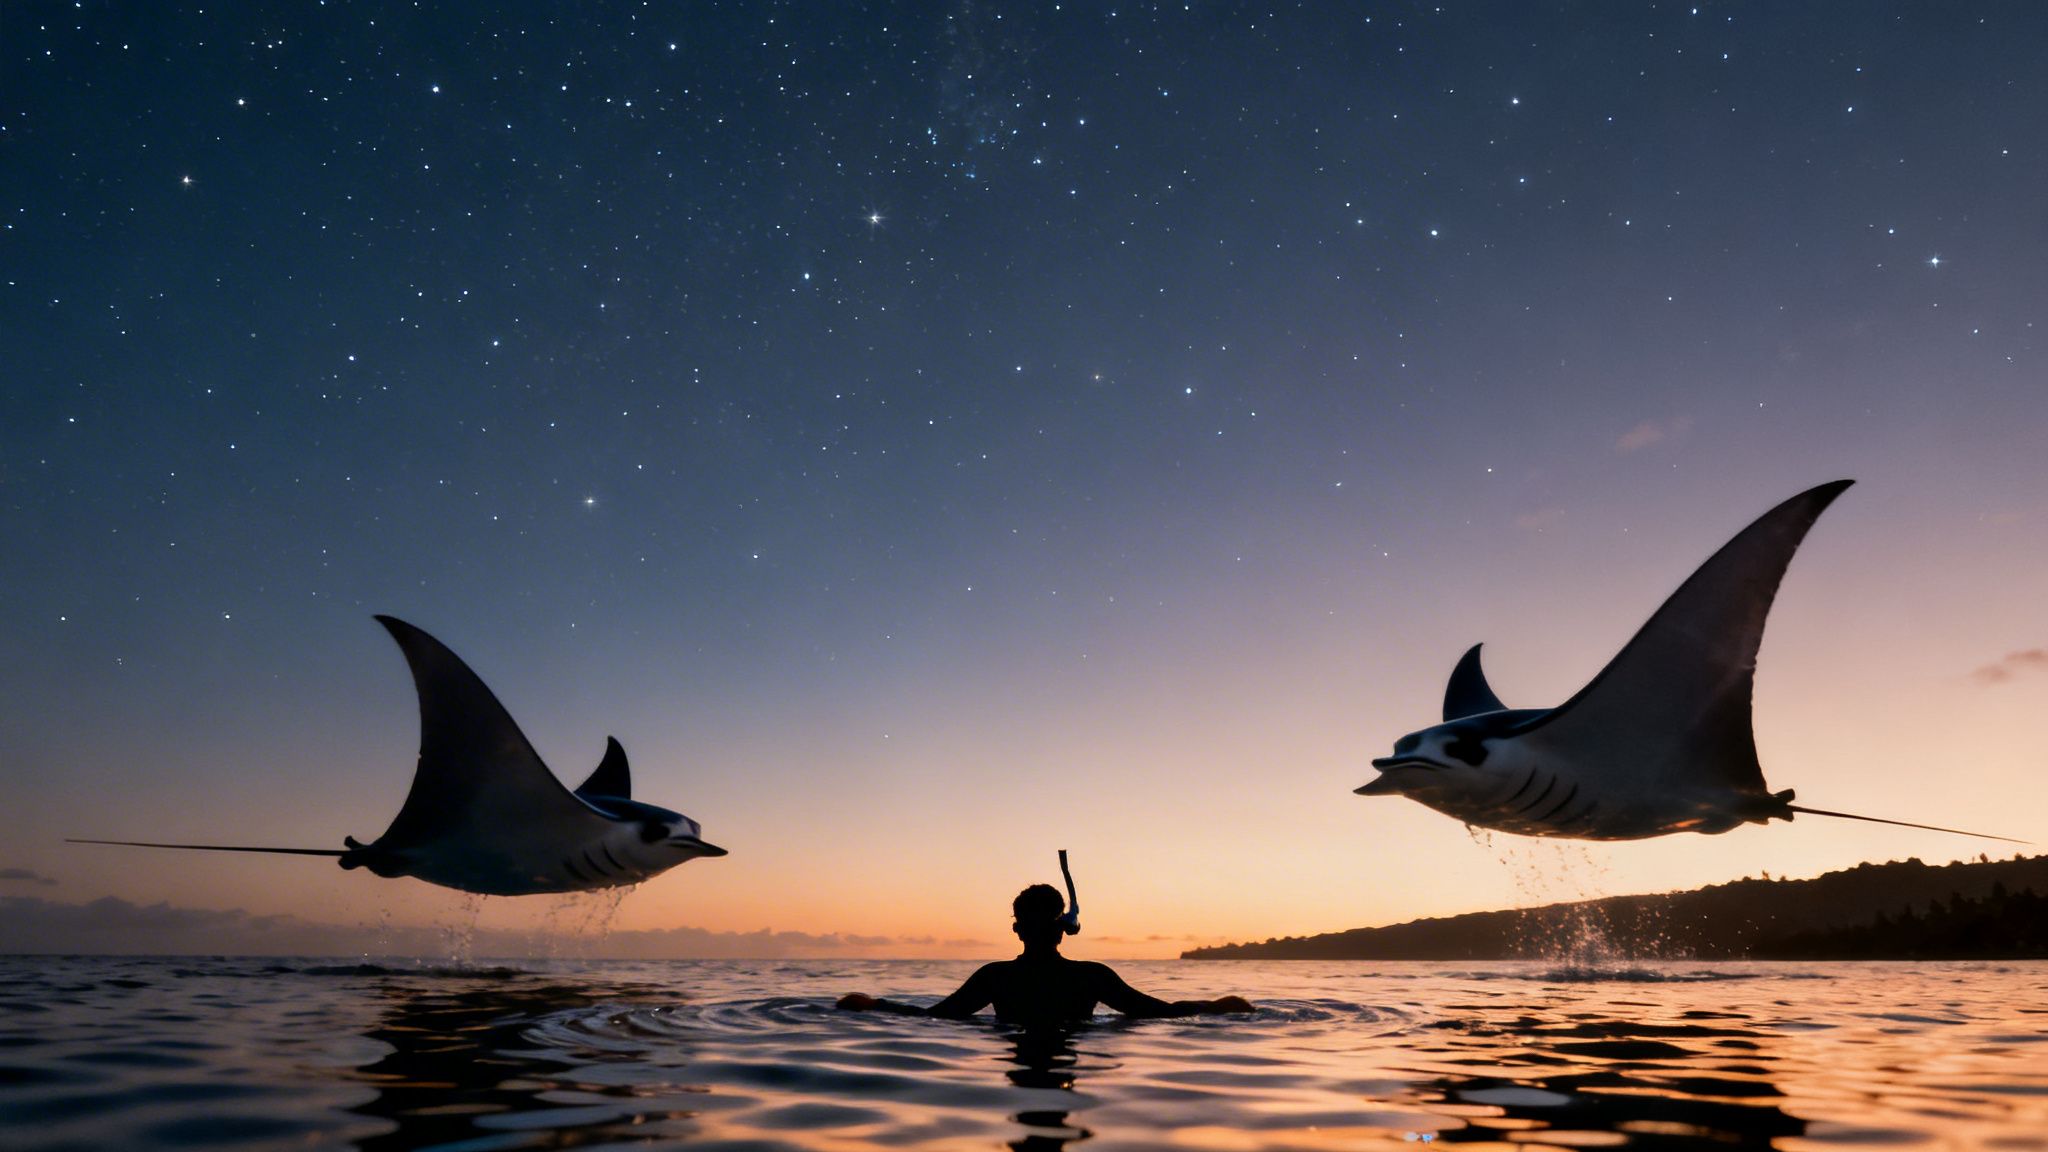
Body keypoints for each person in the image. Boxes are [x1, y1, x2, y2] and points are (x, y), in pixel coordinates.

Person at [837, 883, 1253, 1029]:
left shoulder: (996, 976)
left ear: (1017, 928)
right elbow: (1157, 1012)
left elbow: (935, 1018)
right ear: (1064, 929)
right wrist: (1214, 1008)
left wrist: (875, 1005)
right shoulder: (1092, 976)